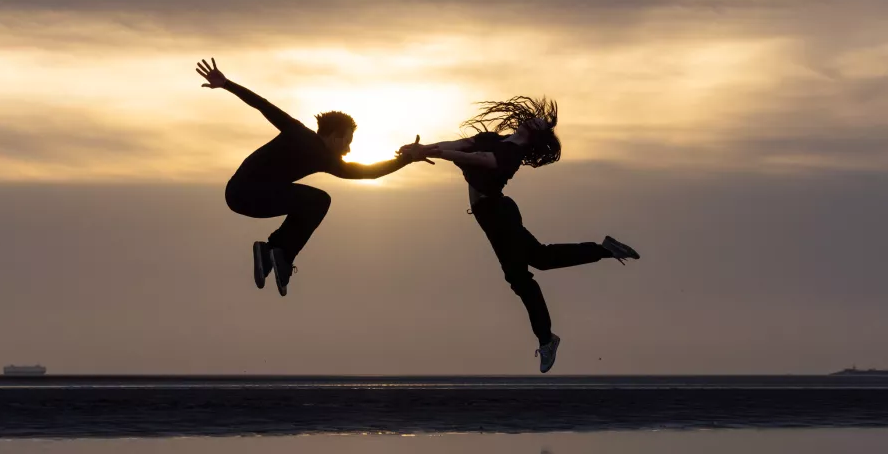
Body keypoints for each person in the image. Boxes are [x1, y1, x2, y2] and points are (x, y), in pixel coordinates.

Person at [401, 98, 639, 372]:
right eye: (540, 119)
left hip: (497, 214)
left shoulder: (512, 154)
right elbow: (461, 145)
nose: (538, 119)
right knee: (534, 264)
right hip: (492, 215)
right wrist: (424, 149)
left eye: (543, 125)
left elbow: (479, 159)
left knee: (527, 272)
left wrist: (438, 154)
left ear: (537, 136)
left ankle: (549, 337)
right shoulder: (494, 139)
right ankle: (603, 253)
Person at [196, 57, 428, 296]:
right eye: (347, 142)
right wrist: (407, 159)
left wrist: (226, 84)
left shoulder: (301, 134)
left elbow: (262, 104)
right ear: (335, 137)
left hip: (236, 194)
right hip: (247, 192)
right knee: (318, 201)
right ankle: (279, 253)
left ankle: (271, 252)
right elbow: (263, 105)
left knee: (313, 201)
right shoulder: (316, 149)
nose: (348, 149)